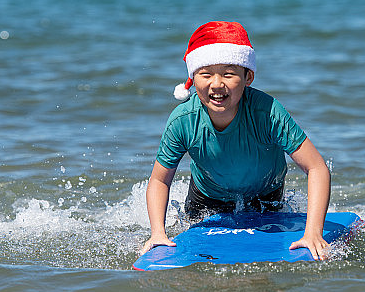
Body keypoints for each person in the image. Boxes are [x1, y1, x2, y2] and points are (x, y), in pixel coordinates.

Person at [138, 21, 331, 260]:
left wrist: (313, 232)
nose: (217, 84)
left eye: (229, 74)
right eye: (206, 74)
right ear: (193, 77)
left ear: (248, 76)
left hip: (266, 196)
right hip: (206, 199)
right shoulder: (183, 120)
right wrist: (158, 232)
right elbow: (159, 179)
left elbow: (317, 168)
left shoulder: (267, 113)